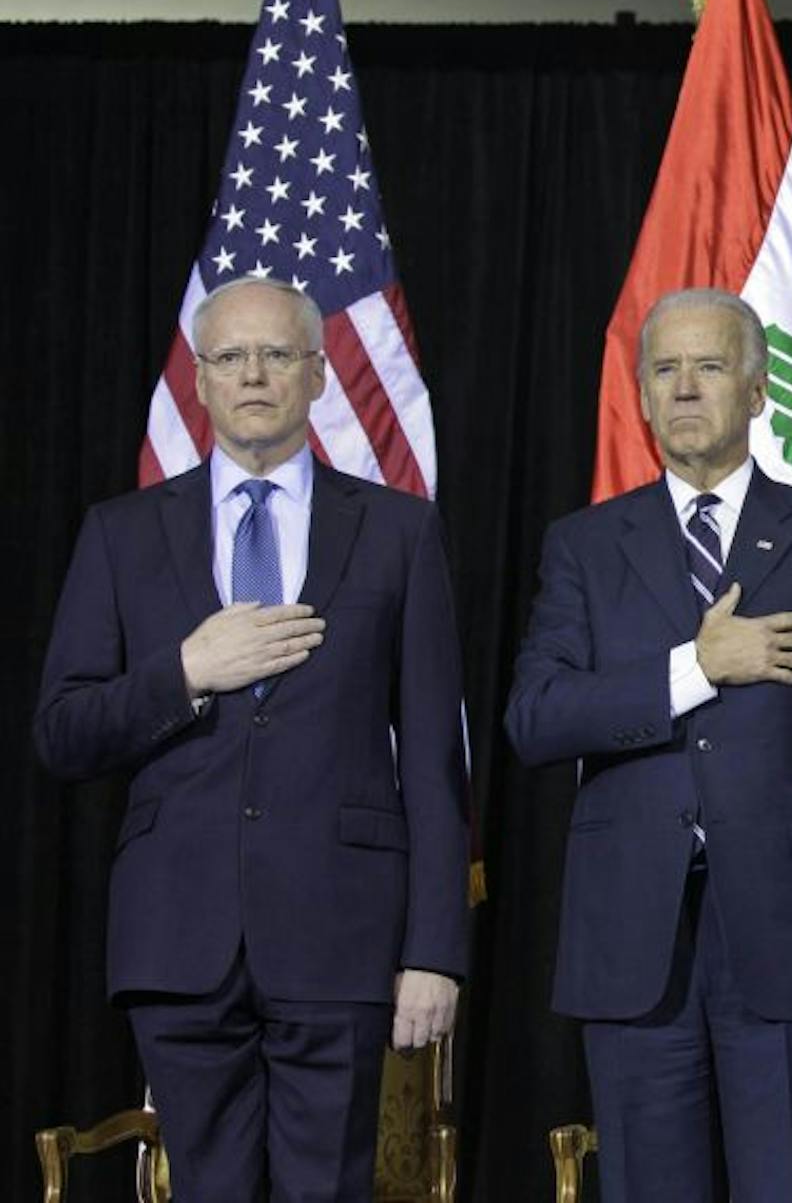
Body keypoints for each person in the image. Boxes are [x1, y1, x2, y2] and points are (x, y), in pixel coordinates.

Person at [35, 276, 468, 1201]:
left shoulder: (399, 530)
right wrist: (184, 670)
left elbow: (435, 760)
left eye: (277, 354)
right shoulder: (120, 533)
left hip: (340, 933)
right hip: (178, 939)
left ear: (317, 374)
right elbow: (64, 731)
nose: (254, 374)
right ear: (199, 381)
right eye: (230, 357)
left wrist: (433, 947)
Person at [506, 287, 792, 1203]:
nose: (686, 387)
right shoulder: (582, 546)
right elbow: (536, 717)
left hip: (791, 944)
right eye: (665, 370)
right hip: (632, 946)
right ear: (642, 397)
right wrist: (695, 666)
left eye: (711, 365)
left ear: (760, 390)